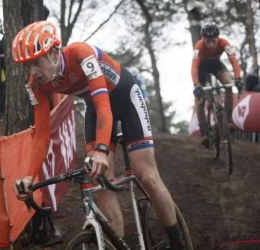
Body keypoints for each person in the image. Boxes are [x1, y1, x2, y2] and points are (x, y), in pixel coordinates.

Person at [12, 21, 184, 250]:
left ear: (54, 53)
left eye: (37, 63)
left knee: (147, 175)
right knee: (100, 180)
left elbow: (105, 105)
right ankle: (118, 243)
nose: (32, 72)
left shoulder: (81, 54)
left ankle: (177, 243)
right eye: (27, 66)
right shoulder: (36, 85)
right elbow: (42, 135)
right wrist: (28, 177)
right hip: (96, 108)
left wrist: (102, 150)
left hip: (124, 99)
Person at [191, 22, 243, 148]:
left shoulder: (224, 43)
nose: (211, 44)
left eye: (213, 41)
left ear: (218, 38)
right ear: (203, 40)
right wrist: (196, 84)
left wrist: (238, 78)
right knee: (200, 99)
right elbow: (194, 67)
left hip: (216, 65)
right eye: (207, 41)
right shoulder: (198, 46)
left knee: (228, 83)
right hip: (202, 69)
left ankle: (228, 121)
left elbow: (233, 60)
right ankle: (204, 133)